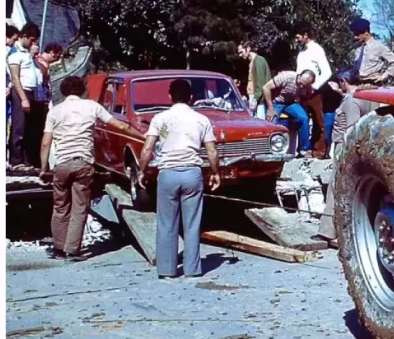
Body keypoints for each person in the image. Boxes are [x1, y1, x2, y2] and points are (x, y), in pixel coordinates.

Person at [39, 76, 146, 260]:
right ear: (82, 90)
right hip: (83, 163)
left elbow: (45, 143)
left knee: (60, 207)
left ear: (64, 91)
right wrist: (143, 137)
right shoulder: (92, 107)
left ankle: (58, 247)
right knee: (79, 207)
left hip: (62, 164)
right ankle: (72, 250)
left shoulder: (55, 112)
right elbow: (120, 126)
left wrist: (43, 169)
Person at [137, 79, 221, 279]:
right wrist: (215, 173)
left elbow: (147, 149)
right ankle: (192, 269)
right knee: (192, 223)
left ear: (169, 96)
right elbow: (212, 151)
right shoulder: (201, 119)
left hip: (167, 173)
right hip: (192, 173)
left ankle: (167, 269)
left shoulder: (160, 118)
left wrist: (142, 170)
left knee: (167, 223)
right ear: (191, 97)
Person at [317, 68, 379, 242]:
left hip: (345, 146)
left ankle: (327, 231)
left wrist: (343, 154)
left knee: (335, 186)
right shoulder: (369, 97)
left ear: (344, 82)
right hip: (363, 145)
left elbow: (352, 130)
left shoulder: (352, 101)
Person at [294, 22, 333, 158]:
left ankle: (320, 151)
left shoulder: (316, 49)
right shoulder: (301, 51)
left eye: (298, 37)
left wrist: (315, 87)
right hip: (302, 91)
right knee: (303, 120)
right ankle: (304, 149)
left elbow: (327, 72)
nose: (296, 40)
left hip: (315, 92)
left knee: (318, 121)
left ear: (305, 35)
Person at [7, 22, 42, 170]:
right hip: (21, 91)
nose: (32, 44)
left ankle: (27, 160)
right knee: (19, 127)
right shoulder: (15, 54)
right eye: (31, 40)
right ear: (25, 36)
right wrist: (23, 99)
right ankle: (16, 160)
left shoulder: (26, 55)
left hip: (31, 91)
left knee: (28, 127)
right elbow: (15, 78)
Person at [261, 69, 316, 156]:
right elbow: (266, 88)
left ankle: (304, 149)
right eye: (300, 83)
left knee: (304, 118)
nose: (301, 86)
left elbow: (307, 95)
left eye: (304, 85)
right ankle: (271, 149)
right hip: (275, 102)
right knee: (272, 122)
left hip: (290, 103)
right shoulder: (286, 77)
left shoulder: (307, 87)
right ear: (299, 76)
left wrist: (300, 99)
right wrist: (270, 108)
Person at [348, 18, 394, 86]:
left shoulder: (379, 47)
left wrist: (384, 76)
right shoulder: (358, 50)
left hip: (374, 84)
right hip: (360, 84)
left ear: (366, 33)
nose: (355, 37)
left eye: (357, 34)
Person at [237, 41, 272, 119]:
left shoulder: (259, 61)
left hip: (258, 100)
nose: (240, 55)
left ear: (248, 48)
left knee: (259, 121)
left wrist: (255, 99)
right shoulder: (251, 62)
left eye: (241, 52)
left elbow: (261, 83)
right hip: (253, 97)